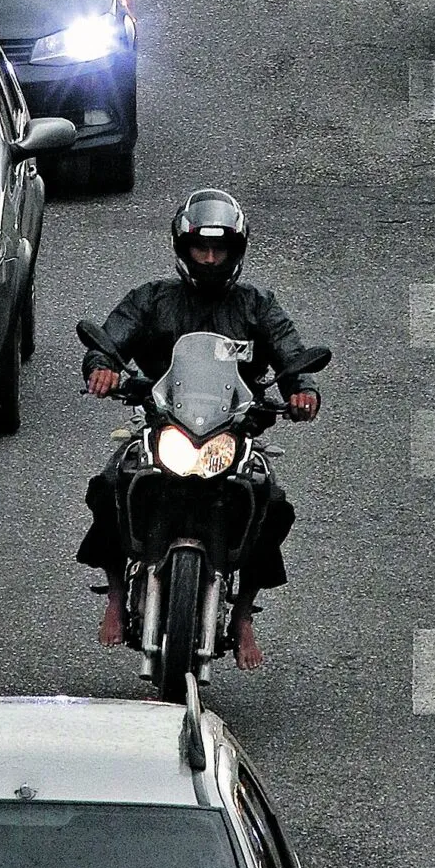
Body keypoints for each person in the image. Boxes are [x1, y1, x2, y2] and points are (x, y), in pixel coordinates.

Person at [78, 188, 322, 671]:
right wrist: (102, 367)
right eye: (200, 249)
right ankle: (117, 589)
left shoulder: (257, 306)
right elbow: (110, 338)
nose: (210, 259)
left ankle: (245, 612)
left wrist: (302, 390)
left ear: (236, 251)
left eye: (220, 250)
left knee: (270, 503)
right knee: (109, 486)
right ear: (183, 248)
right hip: (167, 423)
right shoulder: (152, 300)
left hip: (233, 428)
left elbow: (292, 354)